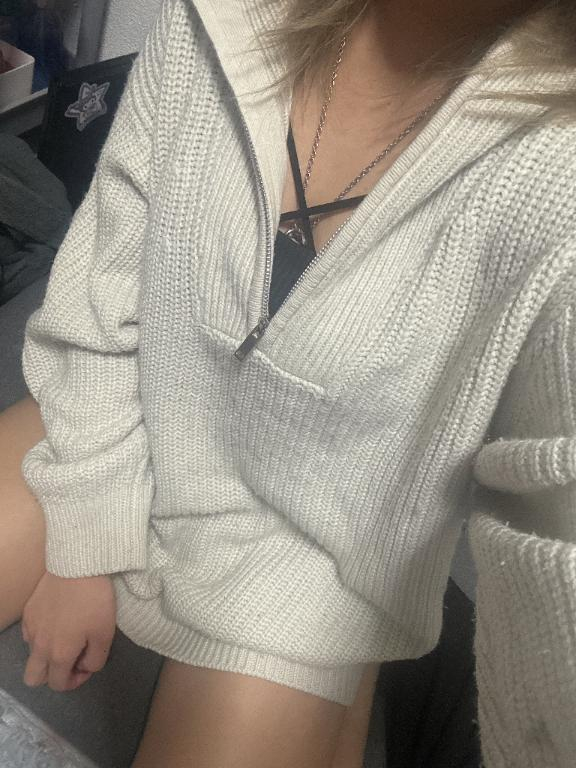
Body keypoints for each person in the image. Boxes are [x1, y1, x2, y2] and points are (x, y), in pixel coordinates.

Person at [1, 0, 575, 766]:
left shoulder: (559, 175)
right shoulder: (218, 16)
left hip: (317, 551)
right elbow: (102, 294)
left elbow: (557, 541)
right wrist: (86, 529)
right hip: (134, 400)